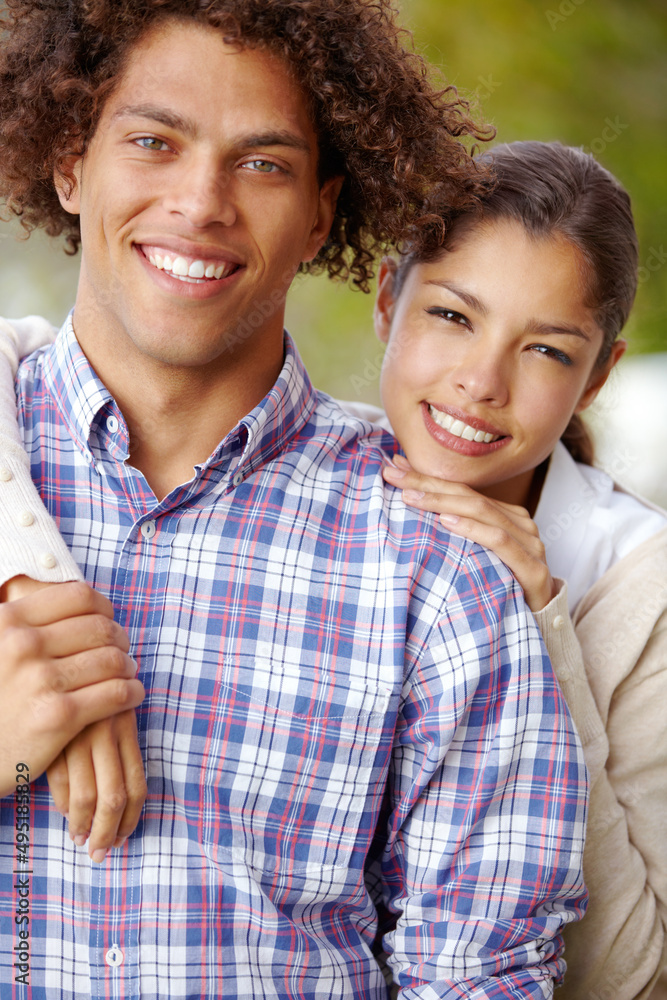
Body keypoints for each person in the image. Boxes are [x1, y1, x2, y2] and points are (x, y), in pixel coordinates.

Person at [0, 3, 588, 997]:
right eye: (153, 141)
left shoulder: (436, 572)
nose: (200, 201)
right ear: (72, 164)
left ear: (321, 212)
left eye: (263, 163)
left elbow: (482, 976)